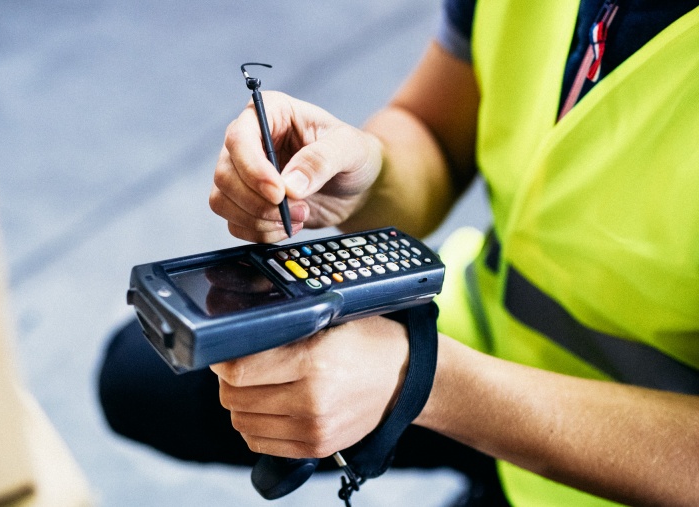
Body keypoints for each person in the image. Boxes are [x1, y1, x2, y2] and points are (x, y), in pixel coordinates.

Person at [99, 1, 699, 505]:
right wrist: (365, 175)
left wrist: (425, 382)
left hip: (629, 463)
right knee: (139, 373)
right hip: (488, 327)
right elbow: (435, 127)